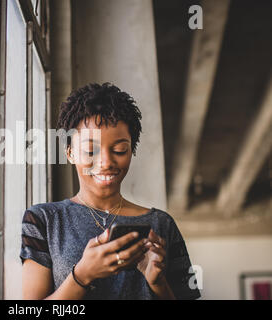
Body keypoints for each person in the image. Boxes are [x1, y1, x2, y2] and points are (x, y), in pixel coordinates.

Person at [20, 82, 201, 300]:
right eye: (89, 150)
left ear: (131, 151)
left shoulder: (162, 224)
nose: (106, 162)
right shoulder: (43, 220)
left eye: (119, 150)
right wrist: (82, 276)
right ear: (70, 153)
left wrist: (159, 283)